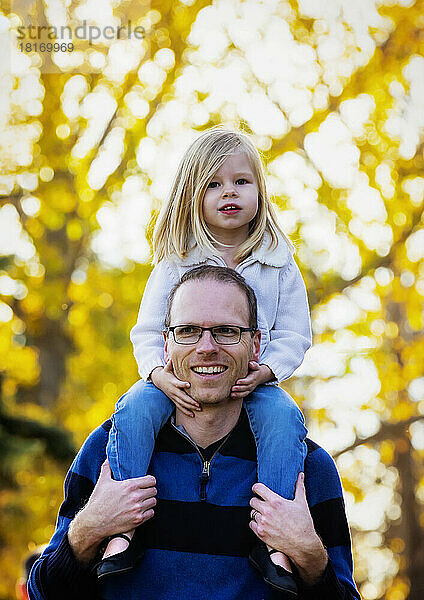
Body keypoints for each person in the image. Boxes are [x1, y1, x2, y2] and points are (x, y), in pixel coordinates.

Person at [28, 266, 360, 600]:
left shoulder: (308, 467)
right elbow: (43, 593)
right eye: (187, 331)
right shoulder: (107, 452)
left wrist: (310, 556)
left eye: (227, 331)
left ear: (256, 345)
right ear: (166, 345)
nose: (206, 347)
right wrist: (88, 530)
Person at [103, 127, 312, 593]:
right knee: (134, 408)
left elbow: (296, 332)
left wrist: (268, 371)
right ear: (193, 195)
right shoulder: (177, 261)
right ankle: (122, 527)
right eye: (214, 184)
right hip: (172, 380)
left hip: (252, 384)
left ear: (260, 190)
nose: (229, 193)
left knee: (283, 419)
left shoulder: (279, 262)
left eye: (242, 181)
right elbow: (146, 331)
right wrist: (158, 373)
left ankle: (273, 536)